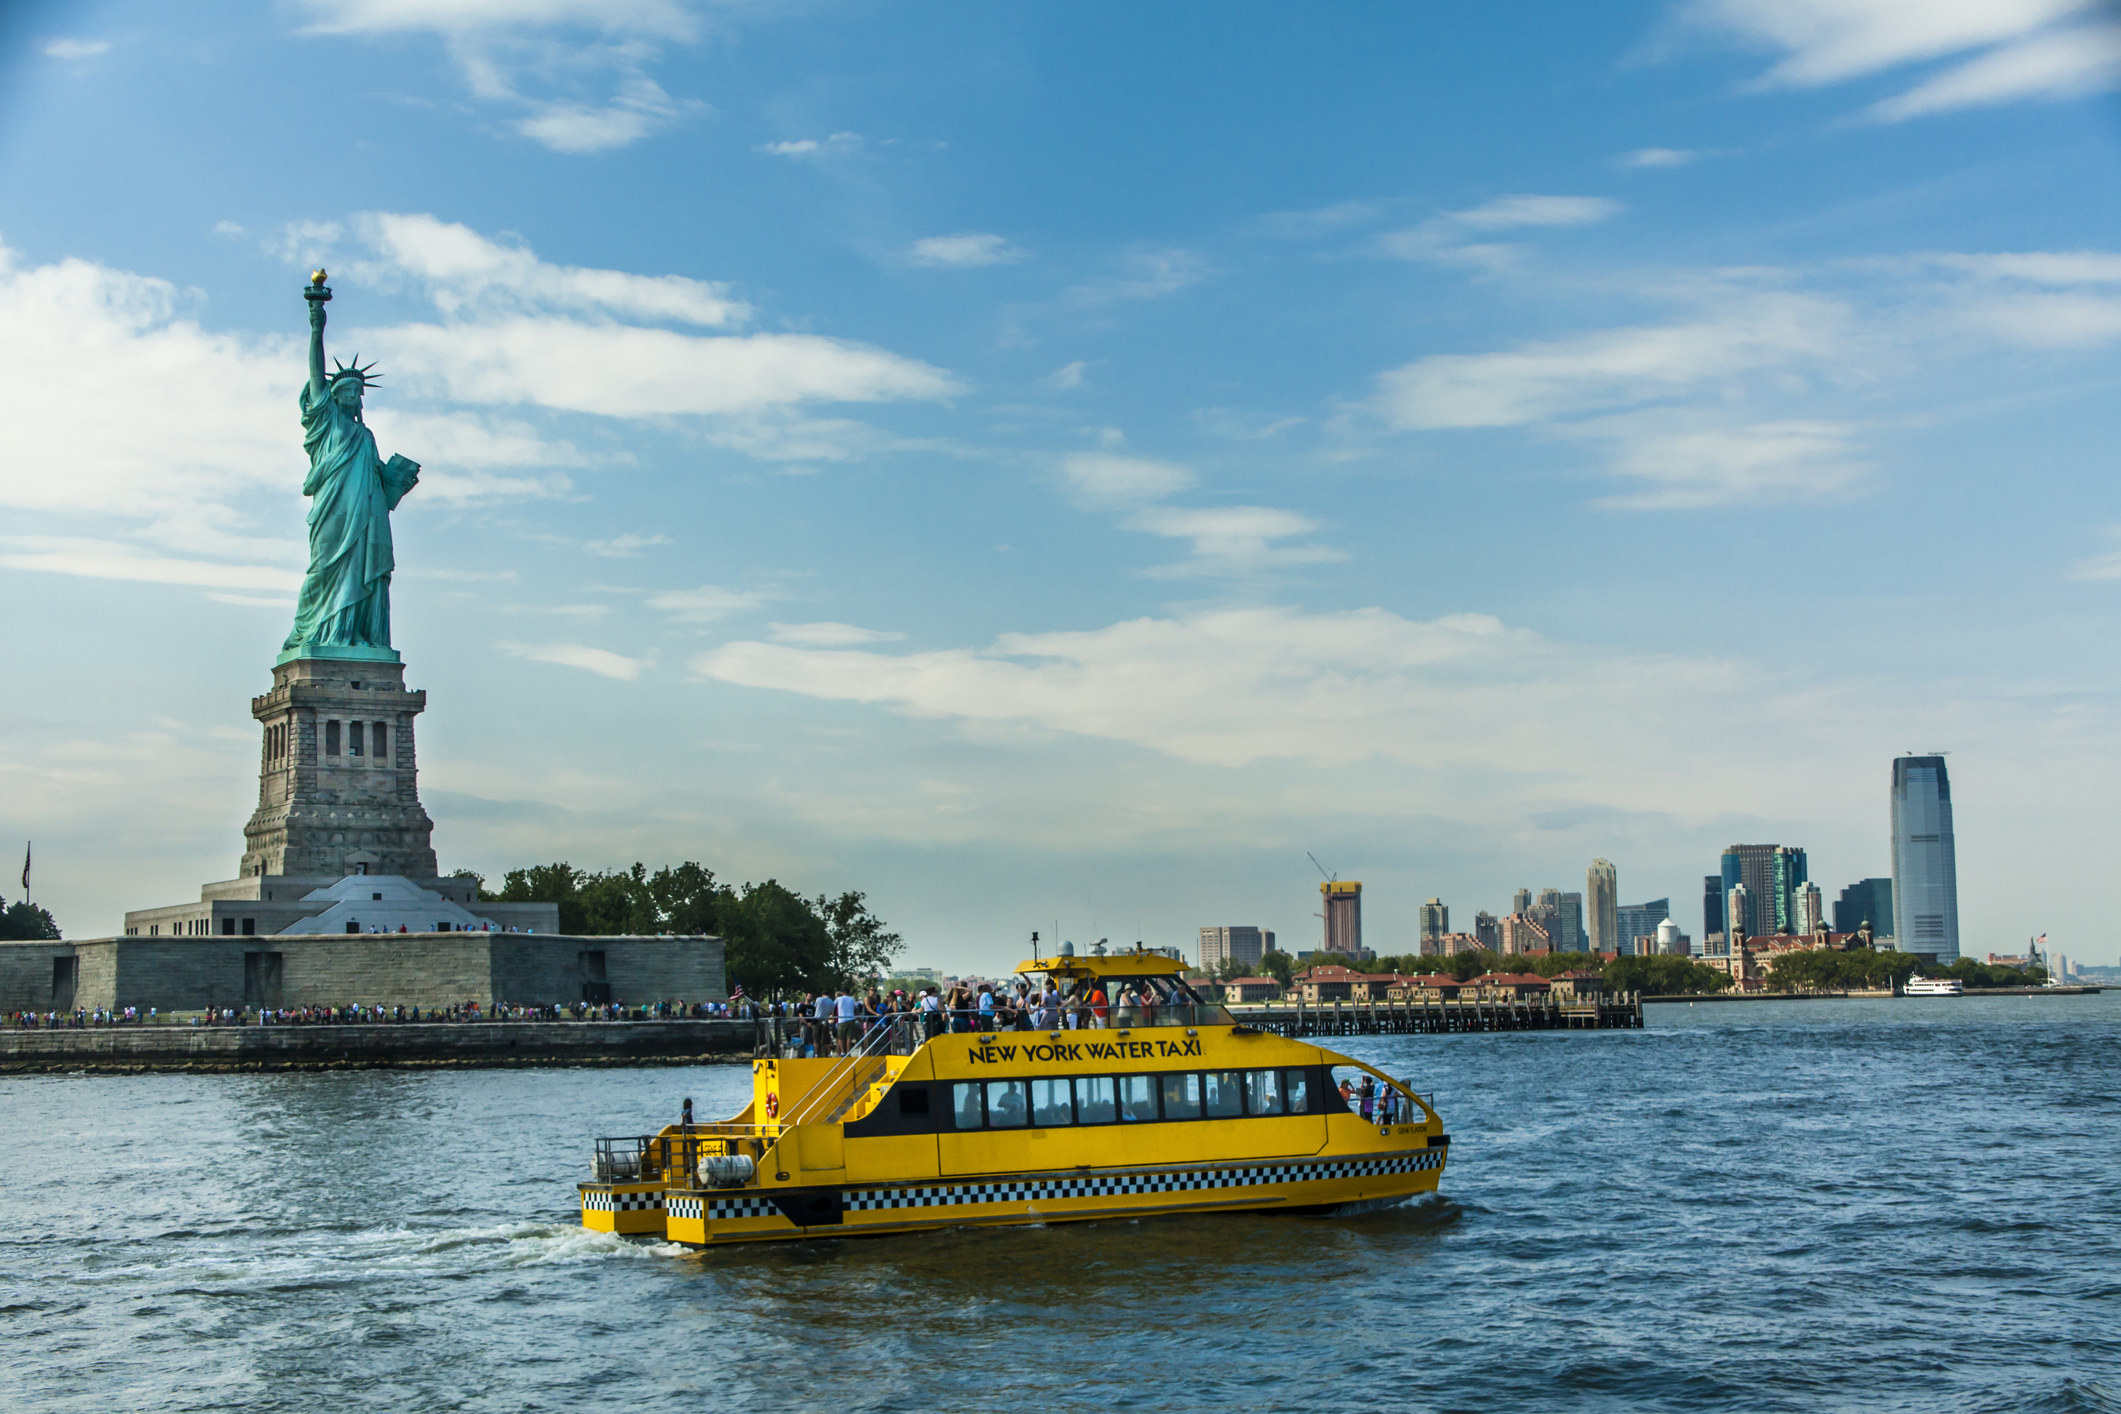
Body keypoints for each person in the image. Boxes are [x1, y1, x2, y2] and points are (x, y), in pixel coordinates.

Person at [834, 986, 859, 1055]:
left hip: (842, 1020)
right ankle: (848, 1052)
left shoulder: (838, 999)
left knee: (840, 1037)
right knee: (849, 1037)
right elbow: (855, 1008)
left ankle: (842, 1052)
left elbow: (833, 1006)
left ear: (842, 992)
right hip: (851, 1019)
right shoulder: (852, 999)